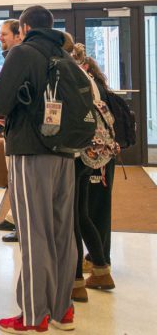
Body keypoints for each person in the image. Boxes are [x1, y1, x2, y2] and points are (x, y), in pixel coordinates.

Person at [0, 6, 77, 333]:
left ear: (24, 28)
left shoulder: (22, 53)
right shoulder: (64, 55)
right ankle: (61, 310)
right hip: (66, 153)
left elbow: (0, 102)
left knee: (33, 232)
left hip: (30, 150)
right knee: (62, 232)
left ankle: (33, 315)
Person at [69, 45, 116, 302]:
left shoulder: (71, 77)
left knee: (73, 218)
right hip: (91, 154)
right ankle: (101, 270)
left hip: (75, 154)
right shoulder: (88, 78)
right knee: (82, 213)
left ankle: (75, 282)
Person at [0, 19, 23, 243]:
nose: (0, 38)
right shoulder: (12, 59)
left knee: (18, 181)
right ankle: (14, 219)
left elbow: (4, 100)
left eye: (4, 34)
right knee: (15, 180)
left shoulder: (18, 58)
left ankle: (19, 224)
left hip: (19, 133)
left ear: (19, 35)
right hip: (11, 129)